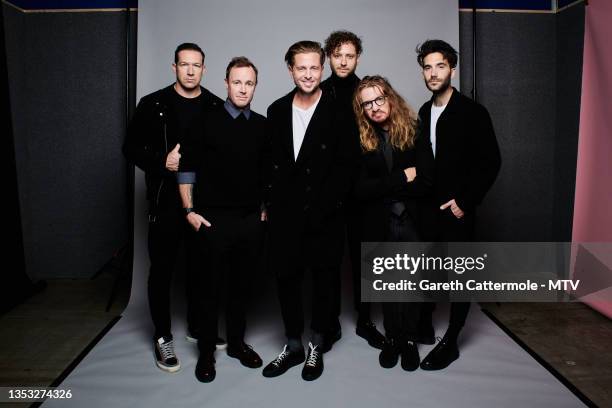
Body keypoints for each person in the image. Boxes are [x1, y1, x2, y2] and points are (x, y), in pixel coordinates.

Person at [122, 43, 224, 373]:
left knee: (201, 269)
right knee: (162, 271)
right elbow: (130, 148)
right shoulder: (153, 104)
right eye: (184, 64)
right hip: (165, 202)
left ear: (204, 69)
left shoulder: (214, 106)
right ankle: (162, 336)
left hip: (202, 203)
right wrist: (160, 161)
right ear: (174, 67)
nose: (191, 70)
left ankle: (196, 327)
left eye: (196, 65)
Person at [261, 40, 357, 381]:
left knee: (324, 282)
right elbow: (269, 165)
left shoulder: (341, 111)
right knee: (287, 280)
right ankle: (293, 344)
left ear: (323, 68)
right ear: (290, 69)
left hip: (325, 216)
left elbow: (347, 168)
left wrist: (325, 208)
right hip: (285, 217)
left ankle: (317, 342)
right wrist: (269, 205)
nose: (308, 74)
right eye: (301, 67)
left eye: (314, 67)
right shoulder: (275, 110)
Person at [177, 56, 267, 383]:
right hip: (211, 220)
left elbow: (268, 173)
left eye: (249, 83)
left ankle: (237, 345)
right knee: (208, 290)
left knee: (241, 288)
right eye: (237, 82)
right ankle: (205, 353)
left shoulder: (262, 125)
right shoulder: (204, 121)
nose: (243, 89)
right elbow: (186, 169)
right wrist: (189, 211)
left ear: (255, 86)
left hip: (248, 221)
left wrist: (264, 208)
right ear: (226, 84)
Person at [415, 39, 501, 370]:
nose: (433, 73)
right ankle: (424, 324)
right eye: (427, 67)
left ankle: (451, 339)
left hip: (457, 209)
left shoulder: (472, 112)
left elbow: (491, 161)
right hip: (429, 209)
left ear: (452, 68)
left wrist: (465, 201)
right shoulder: (424, 111)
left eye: (440, 66)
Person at [353, 75, 434, 370]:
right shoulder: (361, 140)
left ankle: (410, 339)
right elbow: (360, 190)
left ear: (390, 97)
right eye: (367, 104)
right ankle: (393, 338)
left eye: (378, 99)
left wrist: (384, 186)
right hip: (379, 220)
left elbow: (426, 181)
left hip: (412, 218)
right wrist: (401, 177)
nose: (374, 107)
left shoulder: (414, 130)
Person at [320, 30, 385, 350]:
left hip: (365, 192)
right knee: (329, 260)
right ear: (328, 57)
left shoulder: (368, 91)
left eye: (349, 55)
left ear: (357, 58)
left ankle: (366, 320)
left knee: (366, 260)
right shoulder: (318, 91)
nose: (343, 61)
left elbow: (386, 131)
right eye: (337, 55)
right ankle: (329, 324)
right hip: (330, 194)